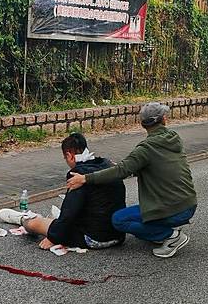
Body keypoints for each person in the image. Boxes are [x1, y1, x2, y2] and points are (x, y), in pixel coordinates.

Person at [67, 102, 197, 259]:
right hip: (189, 204)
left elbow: (122, 171)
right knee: (140, 230)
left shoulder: (146, 149)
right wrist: (129, 167)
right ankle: (160, 232)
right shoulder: (174, 139)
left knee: (119, 220)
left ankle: (171, 236)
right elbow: (152, 166)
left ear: (142, 124)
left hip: (173, 209)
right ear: (164, 119)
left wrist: (86, 178)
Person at [0, 133, 126, 249]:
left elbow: (70, 210)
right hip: (117, 235)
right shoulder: (109, 166)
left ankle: (22, 218)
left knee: (34, 224)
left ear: (69, 155)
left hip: (93, 238)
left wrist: (54, 237)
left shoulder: (77, 175)